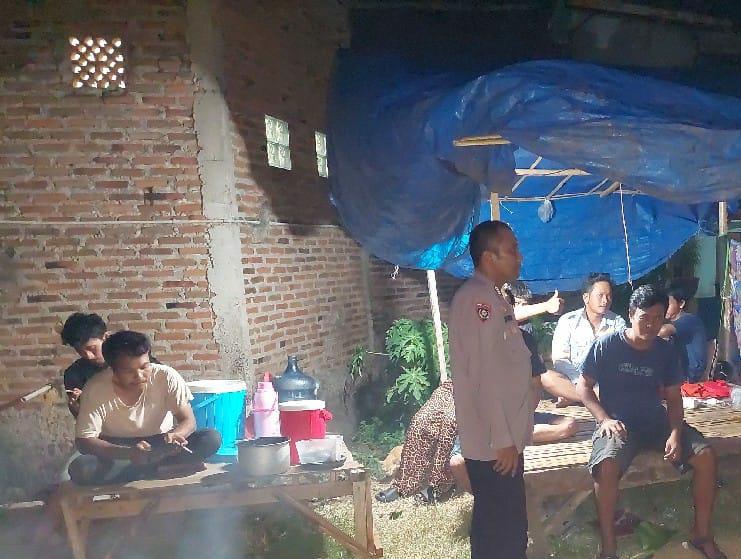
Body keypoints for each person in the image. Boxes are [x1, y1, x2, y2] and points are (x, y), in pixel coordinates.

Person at [577, 285, 724, 559]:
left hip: (656, 422)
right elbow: (583, 387)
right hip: (618, 424)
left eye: (658, 318)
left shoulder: (665, 350)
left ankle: (701, 535)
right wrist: (604, 419)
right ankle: (608, 549)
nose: (651, 325)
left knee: (706, 457)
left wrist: (675, 433)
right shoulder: (607, 346)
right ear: (631, 314)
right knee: (606, 466)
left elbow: (674, 398)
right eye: (645, 317)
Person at [449, 220, 538, 559]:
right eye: (512, 250)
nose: (519, 256)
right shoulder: (477, 300)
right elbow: (482, 375)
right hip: (494, 443)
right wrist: (502, 438)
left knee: (503, 527)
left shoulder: (492, 297)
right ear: (489, 257)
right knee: (503, 533)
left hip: (502, 437)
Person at [68, 330, 221, 485]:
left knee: (210, 439)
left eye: (144, 367)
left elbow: (188, 421)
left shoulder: (166, 376)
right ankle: (158, 470)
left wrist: (176, 435)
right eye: (129, 371)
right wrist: (129, 453)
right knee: (80, 469)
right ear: (113, 368)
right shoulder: (95, 388)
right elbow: (84, 441)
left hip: (160, 445)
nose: (140, 376)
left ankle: (138, 472)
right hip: (118, 450)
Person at [551, 273, 626, 405]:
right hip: (574, 381)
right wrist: (581, 382)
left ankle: (573, 397)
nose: (605, 300)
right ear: (586, 297)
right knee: (547, 377)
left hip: (605, 385)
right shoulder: (567, 321)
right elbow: (560, 360)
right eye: (600, 295)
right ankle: (591, 397)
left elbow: (621, 360)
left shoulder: (618, 323)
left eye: (609, 296)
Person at [60, 312, 110, 417]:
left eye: (92, 348)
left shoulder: (132, 362)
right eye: (80, 351)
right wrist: (76, 408)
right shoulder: (74, 373)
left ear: (105, 337)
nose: (88, 356)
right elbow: (82, 418)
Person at [659, 285, 710, 382]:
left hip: (690, 375)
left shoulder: (689, 320)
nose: (664, 309)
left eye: (668, 304)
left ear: (681, 304)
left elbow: (663, 331)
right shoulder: (673, 323)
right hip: (681, 373)